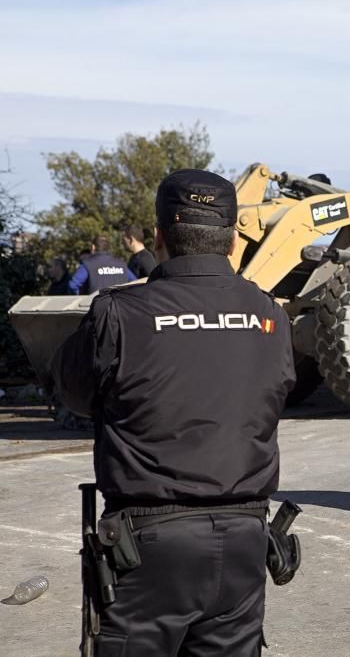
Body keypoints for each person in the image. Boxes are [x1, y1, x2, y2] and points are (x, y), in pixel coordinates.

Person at [53, 169, 296, 654]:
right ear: (232, 241)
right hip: (246, 540)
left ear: (159, 236)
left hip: (148, 545)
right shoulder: (271, 315)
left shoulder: (119, 313)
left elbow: (73, 394)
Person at [68, 235, 135, 294]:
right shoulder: (121, 265)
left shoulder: (88, 264)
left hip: (96, 305)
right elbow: (136, 283)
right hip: (120, 305)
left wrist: (82, 298)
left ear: (93, 247)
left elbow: (73, 285)